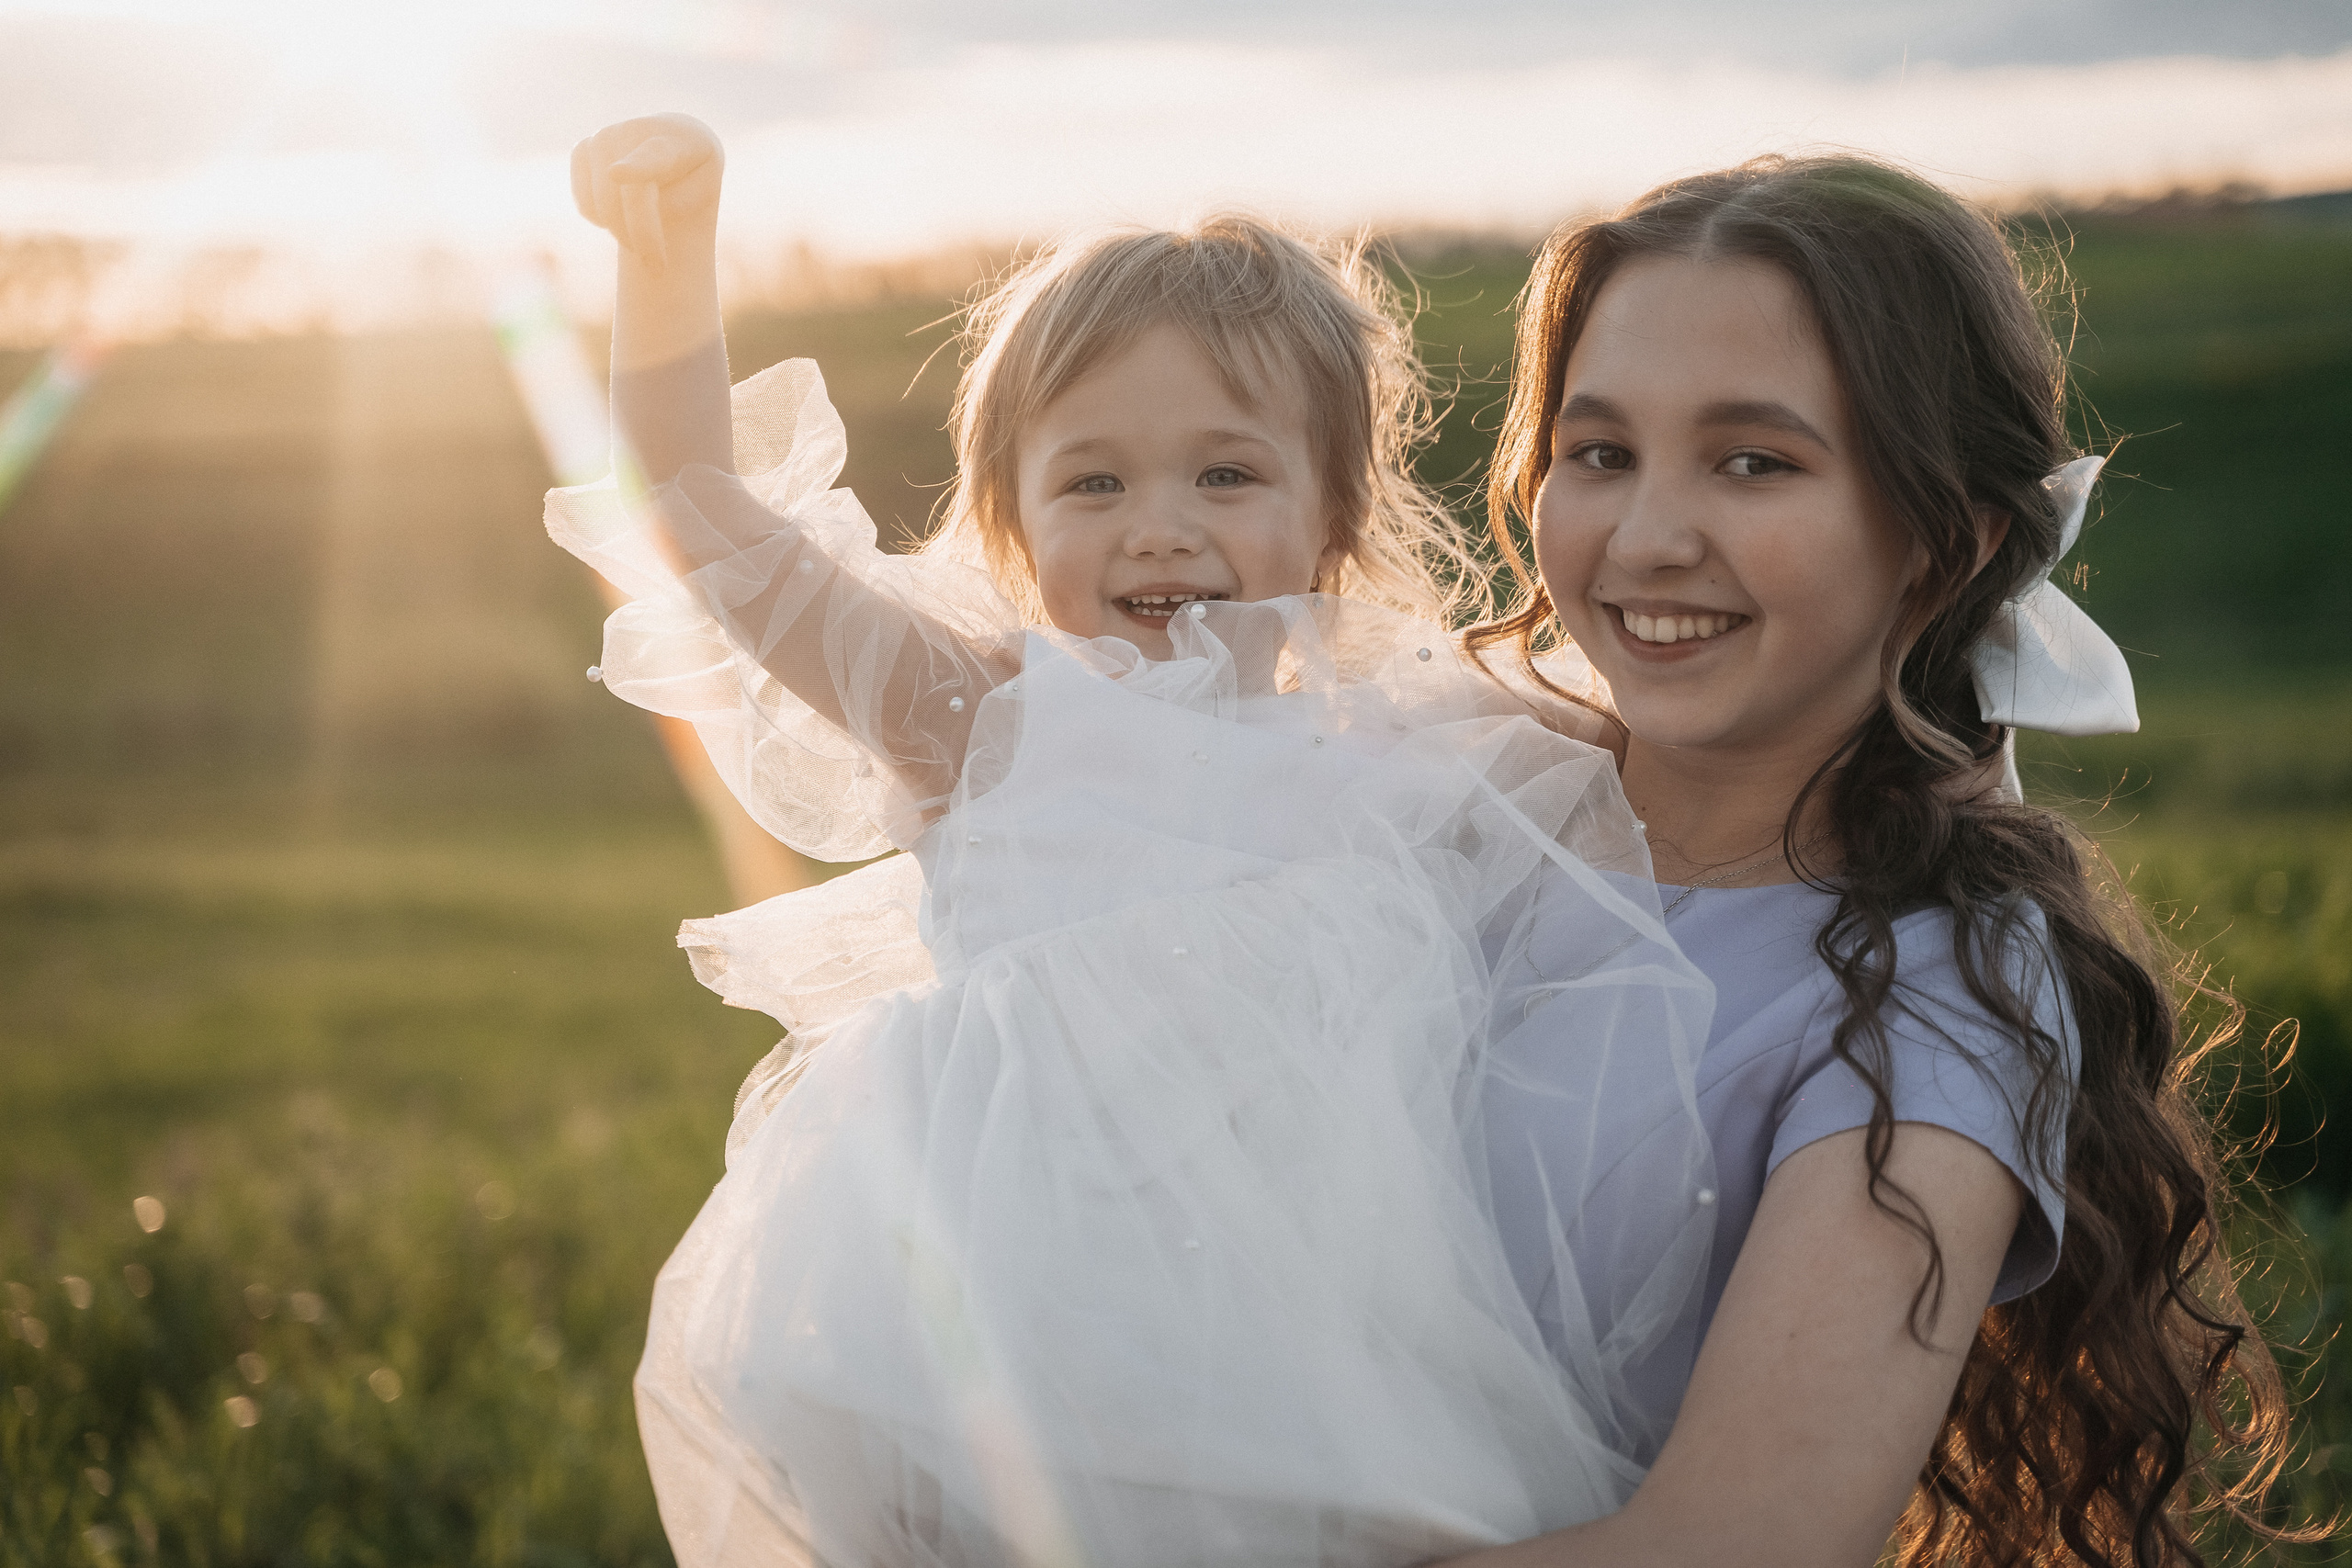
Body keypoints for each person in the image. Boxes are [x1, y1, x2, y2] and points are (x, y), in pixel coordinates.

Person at [551, 115, 1719, 1566]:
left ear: (1333, 517)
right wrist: (665, 264)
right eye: (1093, 484)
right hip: (1014, 1350)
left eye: (1225, 477)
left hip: (1329, 1363)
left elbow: (1701, 736)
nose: (1159, 527)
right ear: (1014, 527)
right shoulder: (985, 721)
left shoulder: (1416, 749)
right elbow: (702, 519)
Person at [1449, 154, 2300, 1566]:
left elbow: (1734, 1547)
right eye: (1599, 452)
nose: (1648, 538)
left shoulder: (1938, 1001)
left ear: (1941, 546)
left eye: (1754, 461)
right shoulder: (1443, 800)